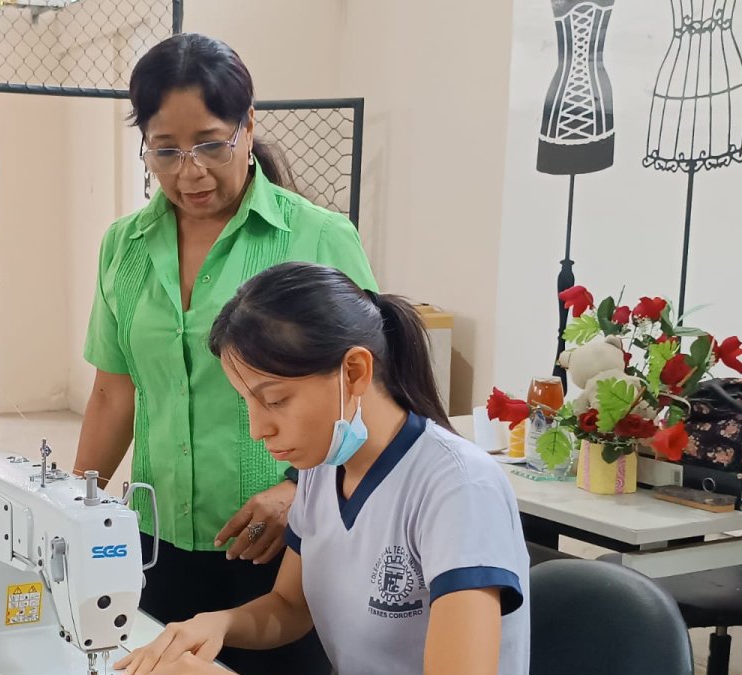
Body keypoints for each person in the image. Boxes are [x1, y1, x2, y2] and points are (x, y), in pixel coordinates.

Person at [74, 32, 377, 675]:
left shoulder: (318, 236)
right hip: (155, 540)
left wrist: (296, 492)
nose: (190, 172)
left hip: (278, 548)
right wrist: (72, 510)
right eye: (165, 150)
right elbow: (112, 391)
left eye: (212, 144)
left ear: (248, 126)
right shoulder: (124, 247)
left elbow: (371, 396)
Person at [116, 262, 531, 675]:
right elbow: (290, 606)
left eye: (275, 401)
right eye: (247, 402)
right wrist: (218, 623)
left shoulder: (459, 487)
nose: (259, 429)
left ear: (354, 371)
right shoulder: (323, 467)